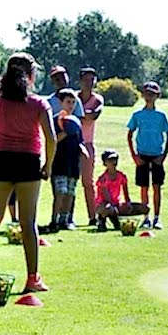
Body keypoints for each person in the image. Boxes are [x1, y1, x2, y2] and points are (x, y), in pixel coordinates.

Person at [0, 52, 58, 293]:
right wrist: (48, 166)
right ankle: (32, 278)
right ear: (30, 76)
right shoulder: (38, 104)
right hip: (29, 163)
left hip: (2, 161)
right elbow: (51, 139)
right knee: (28, 222)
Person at [126, 81, 168, 230]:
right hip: (142, 155)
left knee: (156, 187)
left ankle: (157, 218)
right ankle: (145, 217)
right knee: (143, 187)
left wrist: (163, 155)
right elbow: (130, 134)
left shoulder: (161, 115)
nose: (149, 96)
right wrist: (134, 156)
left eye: (152, 94)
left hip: (157, 155)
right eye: (147, 93)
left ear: (157, 96)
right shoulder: (138, 115)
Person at [46, 88, 84, 232]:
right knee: (60, 192)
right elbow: (53, 140)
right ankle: (54, 220)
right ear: (61, 103)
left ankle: (65, 220)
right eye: (68, 102)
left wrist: (83, 150)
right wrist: (65, 131)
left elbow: (80, 141)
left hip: (73, 163)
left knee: (70, 192)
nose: (71, 105)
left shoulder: (76, 122)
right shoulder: (56, 120)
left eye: (74, 102)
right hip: (59, 162)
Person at [93, 150, 148, 231]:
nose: (114, 162)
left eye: (115, 159)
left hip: (117, 204)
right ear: (105, 163)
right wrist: (115, 208)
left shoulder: (121, 176)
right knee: (109, 208)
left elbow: (126, 194)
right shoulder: (103, 179)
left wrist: (128, 204)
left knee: (143, 208)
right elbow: (106, 197)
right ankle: (102, 220)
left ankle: (146, 222)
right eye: (110, 160)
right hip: (103, 205)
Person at [77, 67, 104, 226]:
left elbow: (93, 116)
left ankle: (92, 217)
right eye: (86, 80)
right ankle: (65, 216)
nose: (89, 83)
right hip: (72, 143)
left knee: (87, 182)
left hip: (87, 144)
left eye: (92, 80)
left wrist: (80, 115)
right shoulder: (73, 97)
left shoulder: (98, 99)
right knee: (69, 181)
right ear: (80, 81)